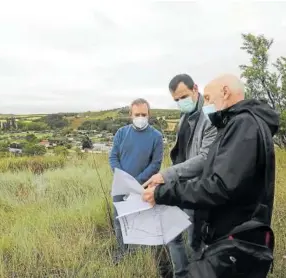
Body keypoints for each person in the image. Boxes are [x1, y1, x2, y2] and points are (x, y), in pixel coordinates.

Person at [143, 74, 279, 278]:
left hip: (234, 238)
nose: (205, 104)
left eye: (207, 98)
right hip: (232, 235)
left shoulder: (243, 125)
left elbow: (220, 186)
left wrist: (163, 192)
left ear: (225, 92)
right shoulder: (238, 123)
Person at [150, 74, 217, 278]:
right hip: (179, 186)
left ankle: (197, 273)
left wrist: (167, 174)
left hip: (197, 189)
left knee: (195, 241)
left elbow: (205, 158)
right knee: (173, 235)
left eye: (183, 97)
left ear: (195, 88)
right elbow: (180, 153)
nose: (181, 102)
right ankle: (180, 273)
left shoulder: (210, 116)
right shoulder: (184, 117)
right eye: (176, 100)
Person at [109, 98, 164, 262]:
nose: (140, 117)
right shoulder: (121, 133)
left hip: (143, 189)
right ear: (130, 115)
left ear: (149, 114)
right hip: (120, 186)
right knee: (120, 222)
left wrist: (135, 182)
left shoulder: (156, 136)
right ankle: (122, 254)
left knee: (141, 223)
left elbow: (156, 164)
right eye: (137, 114)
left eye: (144, 114)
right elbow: (113, 157)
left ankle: (141, 258)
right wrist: (123, 179)